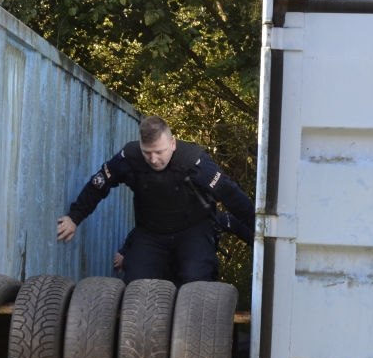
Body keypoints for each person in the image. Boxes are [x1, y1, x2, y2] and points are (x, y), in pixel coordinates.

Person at [56, 116, 255, 285]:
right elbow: (99, 184)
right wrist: (75, 217)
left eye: (159, 152)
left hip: (193, 229)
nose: (153, 159)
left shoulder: (194, 161)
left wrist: (260, 228)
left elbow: (231, 195)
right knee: (135, 285)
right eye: (147, 152)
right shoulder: (129, 158)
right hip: (152, 232)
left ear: (173, 144)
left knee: (195, 281)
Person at [113, 212, 254, 281]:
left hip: (197, 272)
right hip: (170, 269)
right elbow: (143, 230)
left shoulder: (212, 216)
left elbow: (238, 225)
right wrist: (124, 252)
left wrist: (259, 245)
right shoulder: (170, 213)